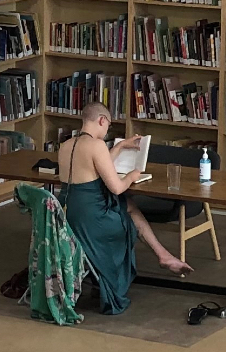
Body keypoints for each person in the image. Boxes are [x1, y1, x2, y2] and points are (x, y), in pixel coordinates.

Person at [57, 102, 193, 314]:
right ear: (102, 120)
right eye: (108, 125)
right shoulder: (96, 145)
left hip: (71, 216)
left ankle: (163, 255)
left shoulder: (66, 145)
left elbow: (95, 167)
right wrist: (133, 175)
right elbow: (117, 187)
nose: (106, 130)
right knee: (126, 207)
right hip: (94, 222)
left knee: (127, 205)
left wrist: (119, 147)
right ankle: (162, 256)